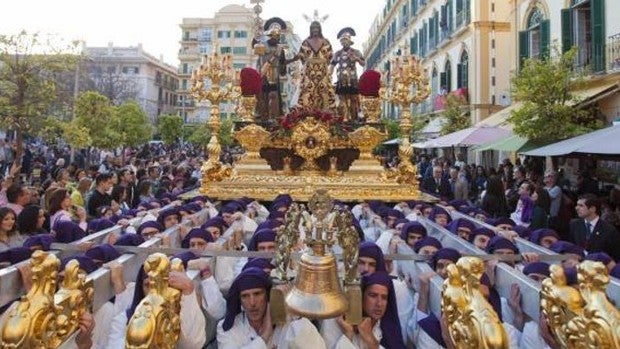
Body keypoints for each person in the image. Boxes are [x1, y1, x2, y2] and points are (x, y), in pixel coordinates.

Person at [287, 21, 336, 111]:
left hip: (322, 70)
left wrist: (322, 63)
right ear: (311, 29)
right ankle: (307, 112)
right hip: (309, 70)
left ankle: (325, 113)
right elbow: (301, 56)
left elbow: (330, 56)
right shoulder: (305, 42)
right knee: (307, 90)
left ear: (320, 29)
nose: (315, 30)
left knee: (324, 90)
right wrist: (309, 63)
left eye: (317, 28)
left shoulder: (326, 42)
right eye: (313, 28)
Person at [569, 193, 620, 261]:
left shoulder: (609, 230)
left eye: (581, 206)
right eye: (577, 205)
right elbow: (569, 247)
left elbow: (615, 256)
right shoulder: (574, 224)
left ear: (592, 209)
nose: (576, 208)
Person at [256, 17, 289, 119]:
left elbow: (283, 67)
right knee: (263, 95)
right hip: (263, 73)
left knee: (273, 95)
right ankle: (261, 115)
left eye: (277, 36)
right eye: (273, 36)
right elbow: (261, 61)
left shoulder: (280, 49)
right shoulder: (262, 45)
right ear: (269, 35)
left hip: (274, 75)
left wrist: (286, 63)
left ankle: (274, 116)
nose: (275, 38)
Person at [330, 27, 365, 120]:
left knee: (354, 99)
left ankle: (354, 118)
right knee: (342, 99)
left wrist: (356, 58)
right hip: (341, 79)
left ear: (349, 41)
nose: (343, 42)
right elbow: (332, 64)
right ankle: (344, 118)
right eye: (342, 41)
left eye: (345, 40)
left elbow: (363, 63)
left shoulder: (356, 52)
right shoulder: (337, 53)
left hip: (352, 79)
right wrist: (329, 75)